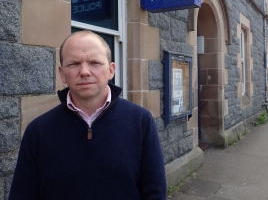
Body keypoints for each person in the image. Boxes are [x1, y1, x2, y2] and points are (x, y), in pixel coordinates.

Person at [9, 30, 167, 199]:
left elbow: (154, 192)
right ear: (62, 73)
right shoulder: (38, 131)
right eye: (74, 64)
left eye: (94, 62)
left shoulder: (141, 121)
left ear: (111, 70)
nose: (84, 71)